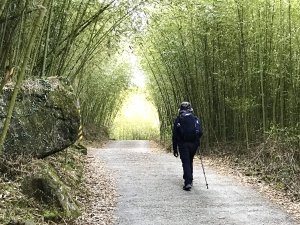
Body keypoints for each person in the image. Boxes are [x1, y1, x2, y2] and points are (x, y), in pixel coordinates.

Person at [172, 101, 203, 191]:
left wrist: (175, 149)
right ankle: (190, 178)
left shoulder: (178, 119)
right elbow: (200, 132)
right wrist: (196, 140)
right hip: (194, 144)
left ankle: (187, 182)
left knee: (185, 162)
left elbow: (175, 135)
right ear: (190, 109)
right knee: (190, 160)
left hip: (183, 144)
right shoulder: (195, 118)